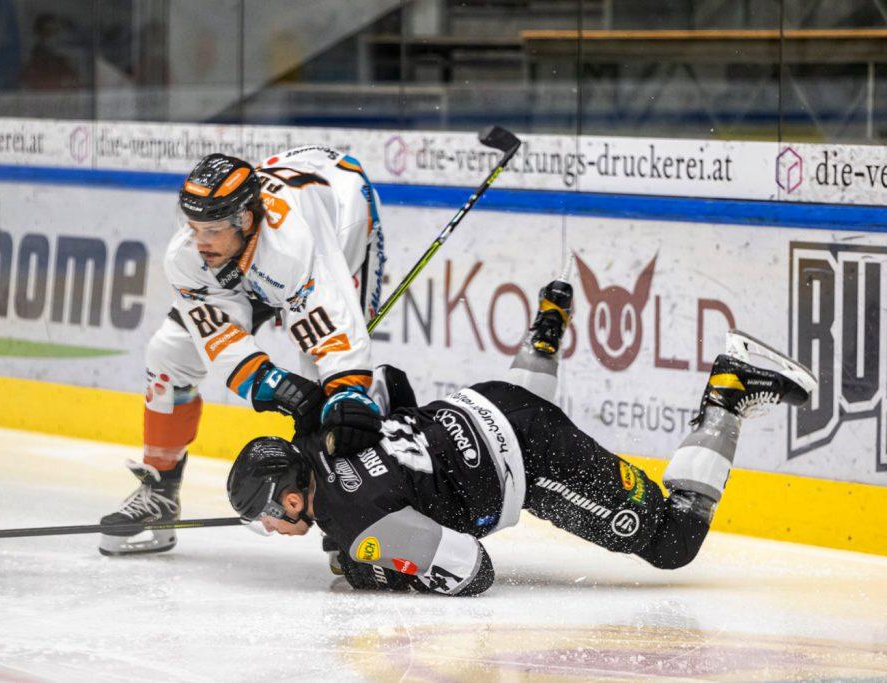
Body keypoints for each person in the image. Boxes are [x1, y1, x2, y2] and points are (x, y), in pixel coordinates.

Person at [226, 278, 816, 596]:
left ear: (292, 499)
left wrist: (371, 568)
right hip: (487, 399)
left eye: (267, 517)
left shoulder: (359, 527)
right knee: (519, 416)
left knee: (673, 542)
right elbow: (392, 382)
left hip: (532, 458)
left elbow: (472, 570)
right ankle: (545, 332)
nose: (271, 529)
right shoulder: (322, 432)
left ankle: (729, 394)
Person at [100, 148, 386, 555]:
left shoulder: (294, 245)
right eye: (193, 228)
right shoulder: (188, 254)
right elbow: (218, 336)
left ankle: (351, 508)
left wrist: (345, 391)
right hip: (259, 243)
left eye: (212, 230)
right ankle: (159, 492)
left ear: (245, 219)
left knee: (331, 386)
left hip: (342, 211)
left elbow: (334, 329)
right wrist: (271, 383)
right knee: (169, 352)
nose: (200, 242)